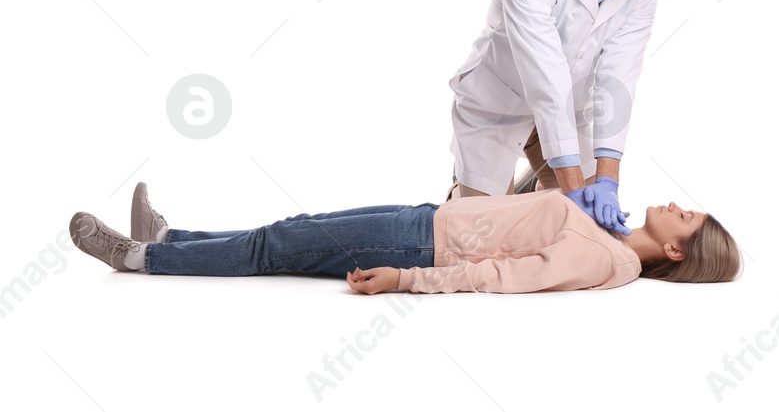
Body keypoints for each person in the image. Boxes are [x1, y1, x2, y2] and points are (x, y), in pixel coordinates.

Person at [446, 0, 678, 237]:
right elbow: (547, 79)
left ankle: (533, 192)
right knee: (486, 237)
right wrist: (572, 191)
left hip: (568, 112)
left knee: (587, 231)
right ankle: (462, 194)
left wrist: (607, 182)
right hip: (497, 106)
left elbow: (618, 79)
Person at [69, 182, 738, 291]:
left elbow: (500, 277)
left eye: (687, 217)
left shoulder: (605, 258)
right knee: (287, 234)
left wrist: (406, 277)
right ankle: (173, 235)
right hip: (430, 220)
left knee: (276, 246)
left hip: (422, 247)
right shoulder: (610, 234)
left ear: (677, 250)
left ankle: (141, 257)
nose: (677, 205)